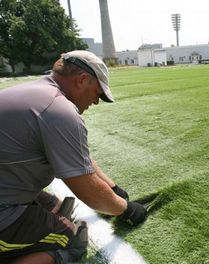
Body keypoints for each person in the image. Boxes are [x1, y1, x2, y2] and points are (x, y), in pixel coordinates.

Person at [0, 50, 147, 264]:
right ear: (82, 80)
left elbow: (81, 158)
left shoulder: (34, 93)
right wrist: (125, 209)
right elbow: (90, 193)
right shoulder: (59, 111)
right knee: (72, 239)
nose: (96, 102)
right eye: (98, 93)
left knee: (60, 208)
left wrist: (112, 188)